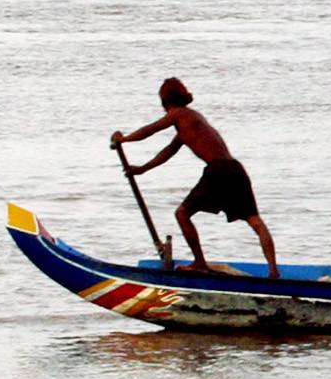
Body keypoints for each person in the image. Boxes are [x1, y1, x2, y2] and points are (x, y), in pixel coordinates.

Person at [113, 77, 279, 277]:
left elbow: (150, 130)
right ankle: (273, 271)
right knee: (254, 220)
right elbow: (168, 151)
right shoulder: (191, 121)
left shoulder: (179, 114)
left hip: (218, 170)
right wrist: (142, 169)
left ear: (165, 101)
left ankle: (200, 262)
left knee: (182, 214)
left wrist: (124, 139)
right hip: (235, 169)